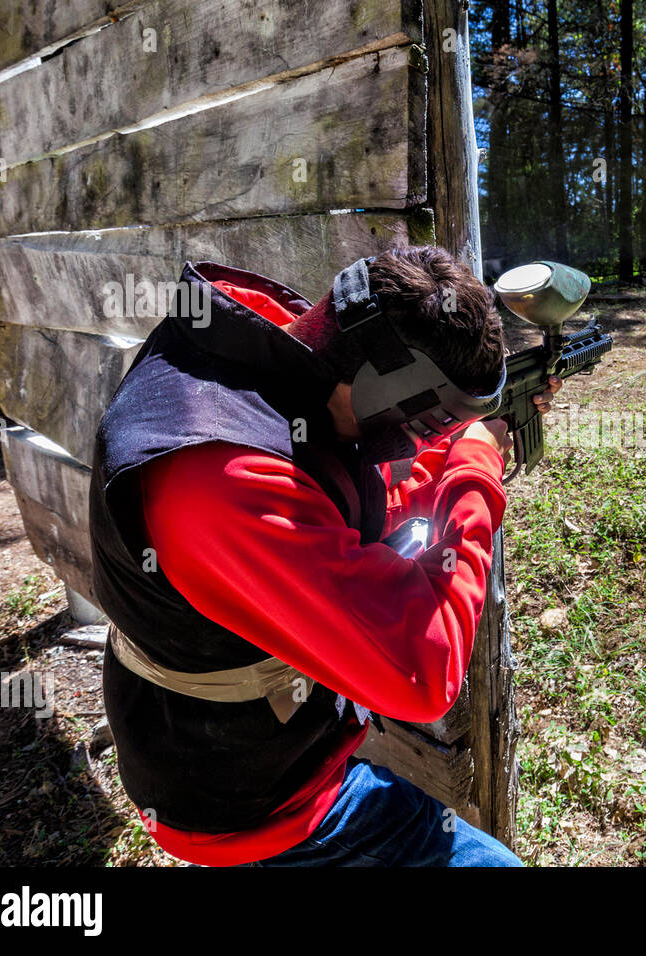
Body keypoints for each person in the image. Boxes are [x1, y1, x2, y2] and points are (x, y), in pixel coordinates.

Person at [89, 245, 561, 867]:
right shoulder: (220, 482)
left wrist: (448, 457)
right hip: (255, 812)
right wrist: (477, 467)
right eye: (425, 427)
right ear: (372, 389)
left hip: (276, 753)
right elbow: (425, 671)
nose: (424, 445)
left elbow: (342, 496)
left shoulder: (277, 358)